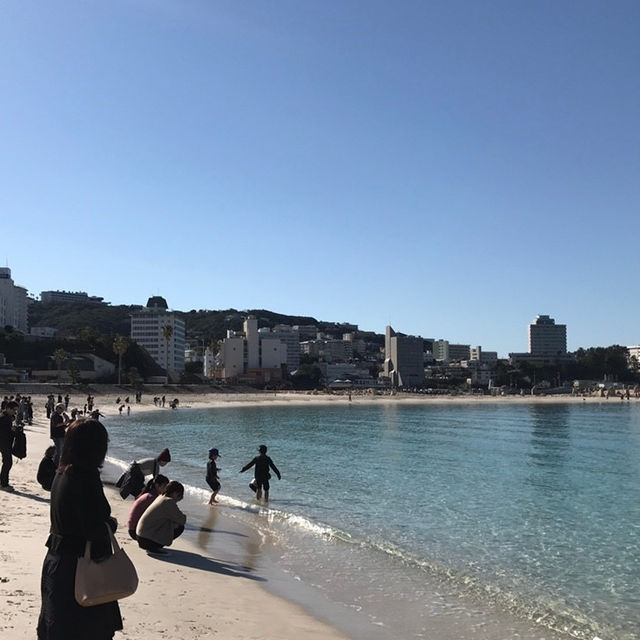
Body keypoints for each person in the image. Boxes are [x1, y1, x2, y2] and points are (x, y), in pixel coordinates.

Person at [37, 419, 123, 639]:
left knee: (56, 626)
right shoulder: (85, 476)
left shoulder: (61, 472)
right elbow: (92, 527)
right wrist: (110, 524)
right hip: (80, 565)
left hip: (56, 560)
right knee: (86, 629)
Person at [136, 480, 186, 554]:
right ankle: (154, 547)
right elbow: (182, 520)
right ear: (175, 493)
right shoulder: (169, 502)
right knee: (180, 527)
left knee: (171, 521)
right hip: (146, 540)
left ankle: (154, 545)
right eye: (179, 495)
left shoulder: (161, 497)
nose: (180, 498)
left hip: (141, 537)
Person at [126, 474, 169, 540]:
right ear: (157, 485)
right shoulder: (152, 497)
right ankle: (153, 543)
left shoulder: (148, 494)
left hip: (133, 529)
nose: (166, 490)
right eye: (164, 486)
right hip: (136, 531)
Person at [0, 401, 19, 492]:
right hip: (3, 443)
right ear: (8, 408)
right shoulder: (4, 417)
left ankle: (3, 482)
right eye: (14, 410)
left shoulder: (7, 417)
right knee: (7, 463)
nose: (15, 412)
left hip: (5, 442)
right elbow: (5, 433)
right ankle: (3, 484)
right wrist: (14, 432)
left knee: (7, 463)